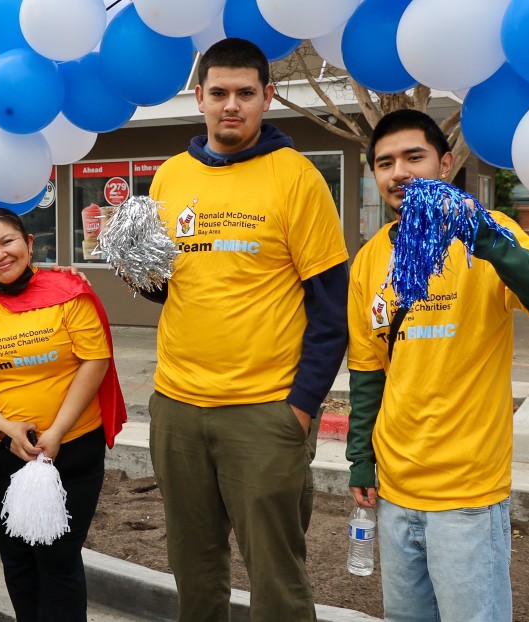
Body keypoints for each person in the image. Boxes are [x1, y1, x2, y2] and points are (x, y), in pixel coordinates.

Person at [139, 38, 349, 621]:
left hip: (265, 411)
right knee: (193, 570)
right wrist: (136, 267)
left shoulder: (299, 178)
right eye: (219, 93)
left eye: (245, 94)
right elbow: (168, 289)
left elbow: (332, 311)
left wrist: (300, 409)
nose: (231, 105)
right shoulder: (169, 178)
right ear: (199, 97)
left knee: (277, 582)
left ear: (267, 97)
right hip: (176, 408)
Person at [346, 109, 529, 622]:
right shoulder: (369, 260)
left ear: (445, 164)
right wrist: (361, 460)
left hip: (468, 493)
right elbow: (368, 371)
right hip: (394, 489)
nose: (399, 172)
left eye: (413, 157)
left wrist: (486, 239)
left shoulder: (491, 234)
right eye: (385, 163)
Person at [0, 208, 125, 622]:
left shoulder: (69, 291)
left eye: (7, 241)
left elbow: (93, 361)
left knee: (58, 559)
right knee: (18, 558)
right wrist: (6, 430)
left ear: (28, 244)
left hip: (72, 448)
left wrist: (57, 431)